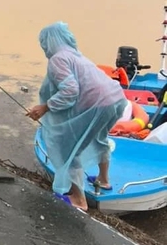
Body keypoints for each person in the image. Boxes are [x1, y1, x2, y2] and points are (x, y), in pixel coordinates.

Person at [27, 22, 127, 211]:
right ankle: (103, 180)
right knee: (100, 138)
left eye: (44, 42)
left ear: (49, 42)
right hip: (116, 99)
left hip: (99, 104)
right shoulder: (75, 55)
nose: (43, 47)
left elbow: (71, 91)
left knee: (67, 146)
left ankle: (78, 199)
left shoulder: (58, 59)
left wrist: (45, 107)